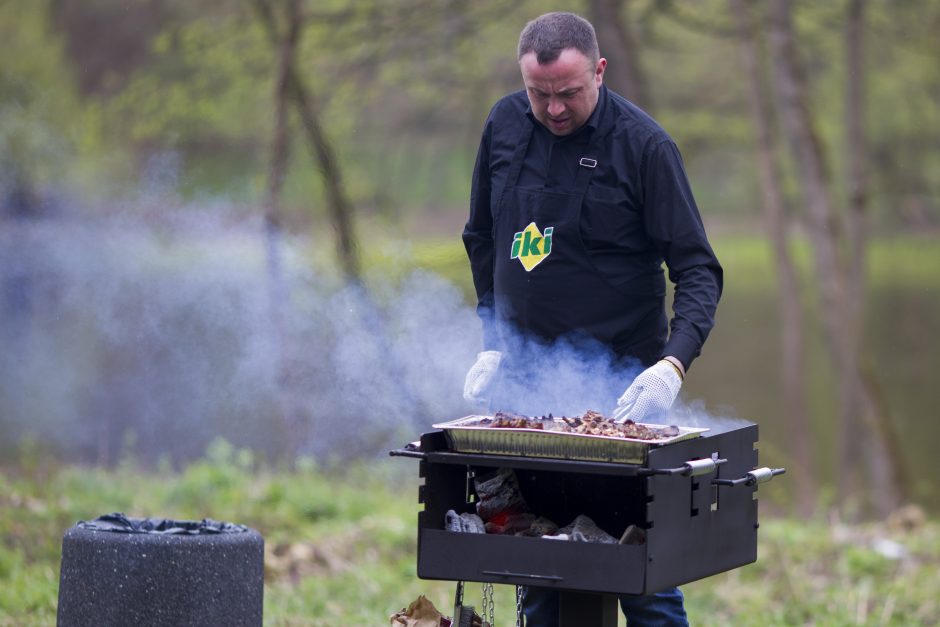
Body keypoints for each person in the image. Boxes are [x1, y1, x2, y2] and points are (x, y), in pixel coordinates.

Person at [460, 11, 722, 627]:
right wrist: (492, 340)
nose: (553, 109)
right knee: (543, 564)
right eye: (539, 94)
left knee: (640, 575)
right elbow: (480, 239)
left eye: (569, 93)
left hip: (621, 394)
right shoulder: (502, 125)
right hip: (525, 393)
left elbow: (699, 270)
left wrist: (671, 363)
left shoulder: (644, 146)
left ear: (599, 72)